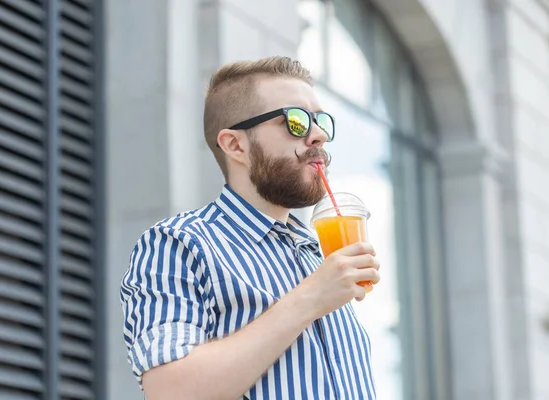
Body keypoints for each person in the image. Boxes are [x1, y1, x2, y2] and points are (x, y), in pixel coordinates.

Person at [120, 56, 381, 400]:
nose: (318, 136)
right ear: (235, 145)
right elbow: (170, 391)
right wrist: (311, 298)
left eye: (320, 122)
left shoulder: (319, 256)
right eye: (296, 121)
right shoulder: (178, 243)